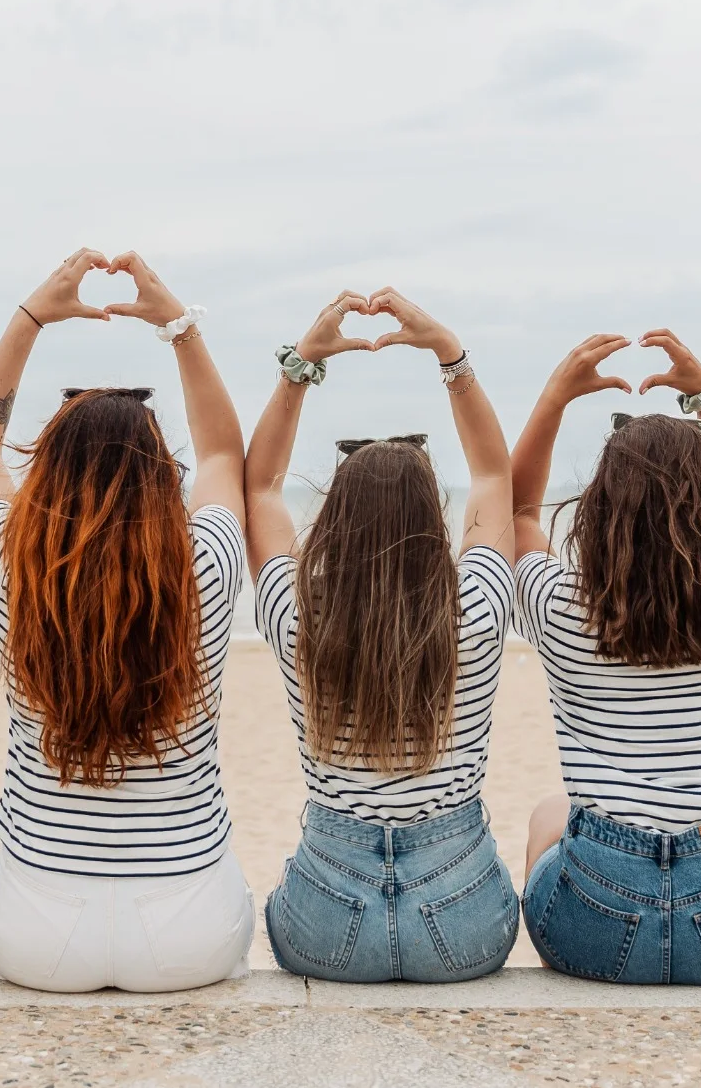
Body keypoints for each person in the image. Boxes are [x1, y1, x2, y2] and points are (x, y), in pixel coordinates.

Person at [0, 248, 251, 993]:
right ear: (162, 476)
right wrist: (177, 325)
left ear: (48, 471)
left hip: (36, 931)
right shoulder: (205, 571)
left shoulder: (13, 571)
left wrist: (32, 316)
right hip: (188, 927)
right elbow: (222, 449)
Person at [243, 289, 520, 983]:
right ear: (435, 520)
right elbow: (494, 473)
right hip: (463, 927)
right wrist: (447, 353)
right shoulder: (476, 614)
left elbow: (262, 486)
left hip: (325, 924)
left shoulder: (299, 616)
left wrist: (301, 363)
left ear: (336, 521)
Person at [510, 329, 701, 985]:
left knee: (551, 815)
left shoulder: (563, 608)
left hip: (595, 918)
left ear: (600, 509)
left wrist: (555, 395)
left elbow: (520, 508)